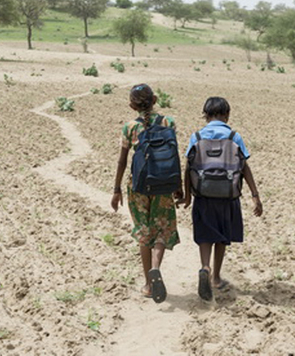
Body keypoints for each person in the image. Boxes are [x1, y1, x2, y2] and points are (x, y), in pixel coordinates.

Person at [180, 96, 263, 301]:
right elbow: (244, 167)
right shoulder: (234, 136)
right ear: (227, 115)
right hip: (227, 197)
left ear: (206, 115)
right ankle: (216, 277)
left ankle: (205, 267)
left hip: (203, 196)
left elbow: (188, 167)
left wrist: (187, 195)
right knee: (222, 238)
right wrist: (255, 196)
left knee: (205, 235)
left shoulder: (196, 137)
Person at [111, 83, 183, 303]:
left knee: (144, 231)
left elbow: (123, 161)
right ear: (154, 100)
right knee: (162, 228)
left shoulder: (130, 127)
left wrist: (116, 190)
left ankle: (148, 285)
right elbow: (174, 155)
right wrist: (178, 185)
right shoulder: (168, 122)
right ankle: (155, 267)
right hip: (164, 183)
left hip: (138, 186)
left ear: (132, 106)